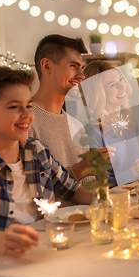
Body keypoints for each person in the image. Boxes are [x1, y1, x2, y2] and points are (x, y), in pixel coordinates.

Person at [0, 67, 92, 257]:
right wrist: (0, 241)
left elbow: (74, 191)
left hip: (47, 252)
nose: (27, 115)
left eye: (28, 106)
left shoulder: (37, 151)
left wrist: (110, 199)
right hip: (1, 266)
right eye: (14, 107)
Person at [29, 34, 114, 183]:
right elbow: (28, 186)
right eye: (73, 66)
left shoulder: (78, 126)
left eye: (82, 68)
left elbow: (87, 187)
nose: (81, 76)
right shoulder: (24, 122)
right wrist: (80, 168)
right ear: (47, 66)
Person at [79, 60, 139, 185]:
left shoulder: (131, 122)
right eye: (112, 85)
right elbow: (98, 181)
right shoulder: (92, 132)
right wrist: (133, 173)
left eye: (121, 79)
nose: (122, 87)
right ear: (97, 93)